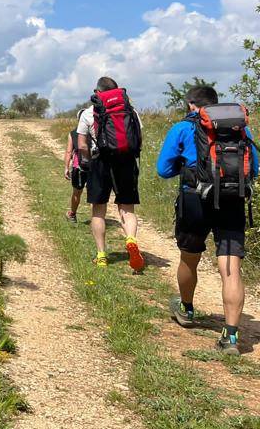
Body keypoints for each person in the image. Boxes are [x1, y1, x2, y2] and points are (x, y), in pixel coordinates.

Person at [157, 84, 257, 356]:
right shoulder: (240, 128)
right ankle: (232, 336)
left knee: (190, 257)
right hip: (232, 200)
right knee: (230, 267)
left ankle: (187, 309)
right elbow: (254, 169)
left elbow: (163, 169)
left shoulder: (183, 128)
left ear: (191, 105)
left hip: (194, 200)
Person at [76, 76, 145, 271]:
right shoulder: (130, 111)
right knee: (127, 208)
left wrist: (87, 161)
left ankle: (101, 255)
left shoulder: (89, 113)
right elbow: (138, 138)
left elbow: (81, 144)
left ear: (97, 92)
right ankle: (130, 238)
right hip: (126, 161)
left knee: (98, 210)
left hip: (100, 162)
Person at [63, 126, 87, 223]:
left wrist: (66, 167)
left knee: (77, 192)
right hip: (95, 166)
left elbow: (69, 151)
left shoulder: (73, 133)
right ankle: (97, 218)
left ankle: (72, 214)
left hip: (79, 166)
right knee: (94, 193)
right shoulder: (97, 129)